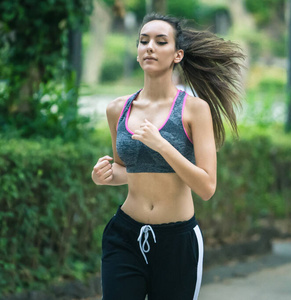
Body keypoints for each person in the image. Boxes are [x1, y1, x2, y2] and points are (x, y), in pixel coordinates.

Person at [91, 13, 245, 300]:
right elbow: (127, 170)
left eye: (160, 42)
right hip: (124, 236)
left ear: (177, 55)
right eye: (143, 41)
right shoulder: (118, 109)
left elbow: (207, 187)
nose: (149, 47)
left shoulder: (195, 110)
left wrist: (163, 145)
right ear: (137, 53)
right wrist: (106, 176)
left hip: (177, 243)